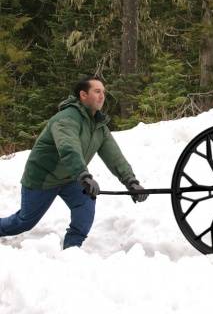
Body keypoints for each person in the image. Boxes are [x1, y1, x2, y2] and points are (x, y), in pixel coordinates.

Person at [0, 75, 148, 249]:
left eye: (104, 92)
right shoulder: (66, 119)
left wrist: (131, 182)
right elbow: (68, 149)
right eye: (97, 91)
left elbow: (114, 156)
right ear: (83, 95)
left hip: (71, 178)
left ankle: (72, 250)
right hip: (43, 179)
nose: (102, 96)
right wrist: (84, 176)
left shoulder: (99, 126)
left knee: (85, 207)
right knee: (23, 222)